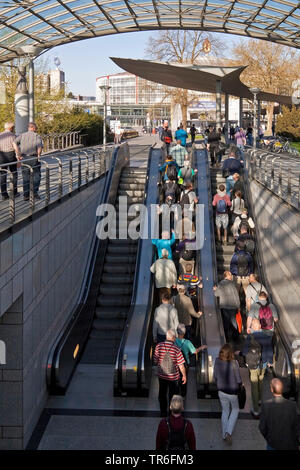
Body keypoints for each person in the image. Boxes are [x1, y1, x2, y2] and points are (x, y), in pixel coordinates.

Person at [242, 318, 274, 418]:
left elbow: (244, 352)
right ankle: (260, 399)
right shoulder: (266, 336)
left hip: (253, 364)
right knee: (261, 380)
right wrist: (270, 362)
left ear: (252, 327)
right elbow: (270, 350)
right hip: (263, 363)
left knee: (254, 384)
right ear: (260, 326)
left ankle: (256, 409)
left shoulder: (250, 337)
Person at [259, 378, 300, 450]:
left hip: (273, 444)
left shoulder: (266, 406)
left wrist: (269, 438)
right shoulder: (292, 405)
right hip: (290, 444)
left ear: (272, 389)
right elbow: (297, 427)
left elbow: (262, 427)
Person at [213, 343, 242, 445]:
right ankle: (228, 432)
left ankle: (224, 435)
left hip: (221, 391)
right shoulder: (234, 363)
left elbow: (215, 376)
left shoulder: (217, 361)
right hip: (232, 392)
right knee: (235, 409)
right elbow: (238, 379)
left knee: (225, 411)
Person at [153, 329, 186, 417]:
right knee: (173, 395)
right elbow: (181, 365)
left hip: (162, 375)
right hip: (173, 377)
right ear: (173, 338)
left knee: (162, 393)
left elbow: (155, 360)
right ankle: (172, 412)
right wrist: (184, 376)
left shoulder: (158, 346)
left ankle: (163, 412)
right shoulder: (176, 349)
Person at [175, 324, 206, 397]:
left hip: (175, 363)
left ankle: (175, 393)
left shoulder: (173, 340)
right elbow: (195, 352)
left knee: (175, 379)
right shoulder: (187, 342)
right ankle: (183, 395)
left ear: (177, 331)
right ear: (184, 332)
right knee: (183, 378)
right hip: (185, 363)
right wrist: (201, 347)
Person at [16, 122, 43, 201]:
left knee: (25, 177)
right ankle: (34, 193)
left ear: (28, 128)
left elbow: (14, 142)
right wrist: (39, 155)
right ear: (33, 128)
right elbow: (39, 147)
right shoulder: (37, 136)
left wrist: (18, 153)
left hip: (24, 158)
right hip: (33, 158)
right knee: (36, 176)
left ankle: (26, 195)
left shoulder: (22, 135)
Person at [213, 271, 240, 343]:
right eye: (230, 275)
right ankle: (236, 338)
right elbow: (236, 296)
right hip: (233, 306)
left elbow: (216, 294)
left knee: (226, 322)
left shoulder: (221, 284)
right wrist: (238, 306)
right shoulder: (232, 284)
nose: (231, 277)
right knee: (234, 322)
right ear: (227, 276)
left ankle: (226, 339)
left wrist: (215, 290)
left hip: (225, 306)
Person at [0, 122, 21, 200]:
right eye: (13, 127)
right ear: (11, 128)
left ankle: (4, 195)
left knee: (3, 175)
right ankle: (14, 192)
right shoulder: (13, 136)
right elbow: (16, 147)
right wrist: (19, 157)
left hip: (1, 156)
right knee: (14, 173)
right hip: (11, 155)